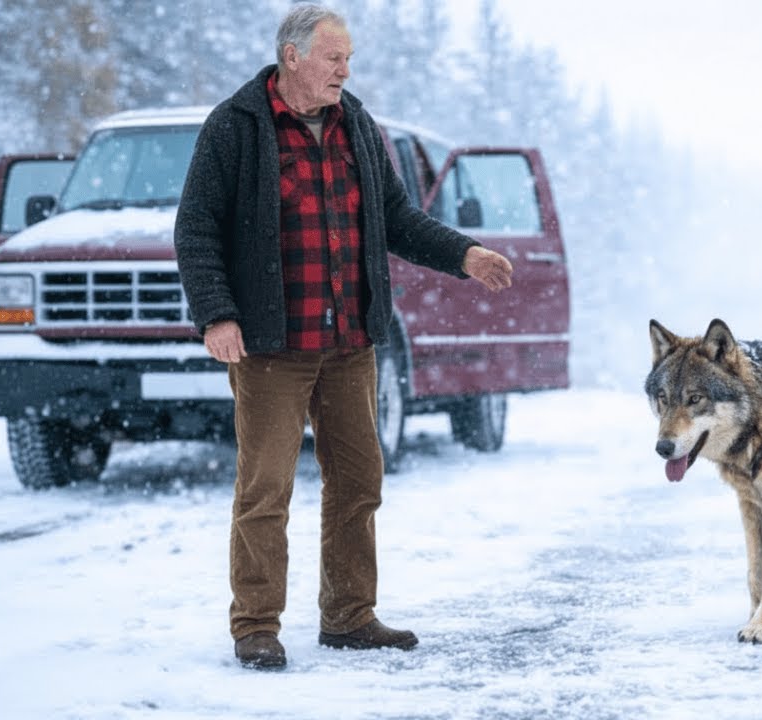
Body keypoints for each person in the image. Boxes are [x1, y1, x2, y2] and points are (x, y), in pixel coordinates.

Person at [174, 3, 514, 671]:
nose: (345, 70)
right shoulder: (235, 127)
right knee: (265, 491)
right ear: (293, 56)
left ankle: (350, 617)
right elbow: (197, 229)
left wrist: (464, 254)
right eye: (334, 58)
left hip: (350, 341)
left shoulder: (357, 123)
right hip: (272, 346)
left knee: (359, 481)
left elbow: (396, 218)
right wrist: (217, 314)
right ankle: (256, 626)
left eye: (348, 59)